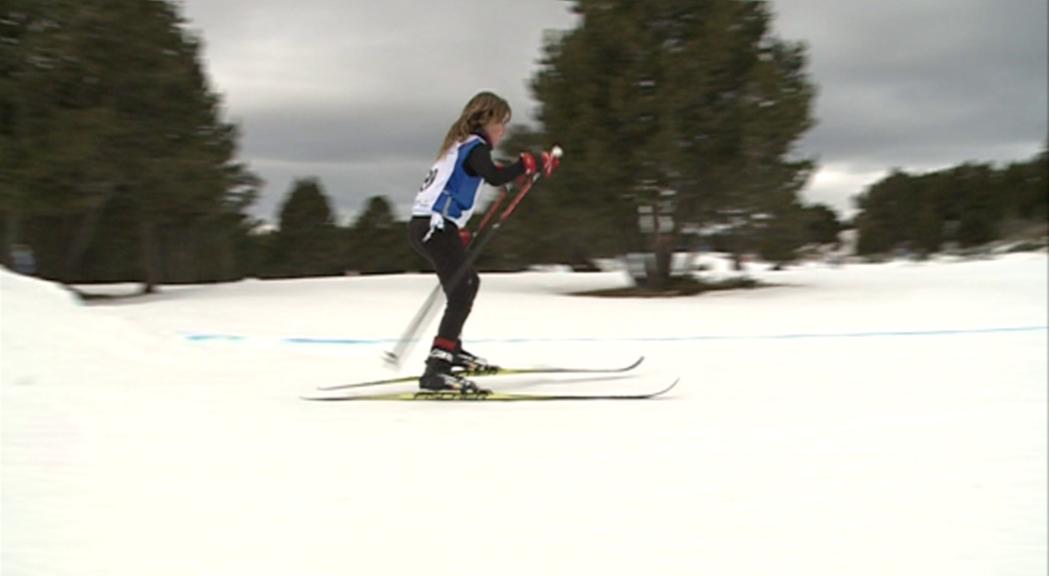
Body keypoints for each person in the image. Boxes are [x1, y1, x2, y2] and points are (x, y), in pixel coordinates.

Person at [408, 91, 557, 391]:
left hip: (431, 225)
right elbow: (493, 175)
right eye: (501, 123)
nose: (503, 131)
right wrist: (527, 164)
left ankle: (451, 351)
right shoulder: (474, 146)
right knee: (462, 291)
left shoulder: (459, 146)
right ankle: (437, 369)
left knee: (467, 283)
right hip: (434, 227)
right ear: (485, 120)